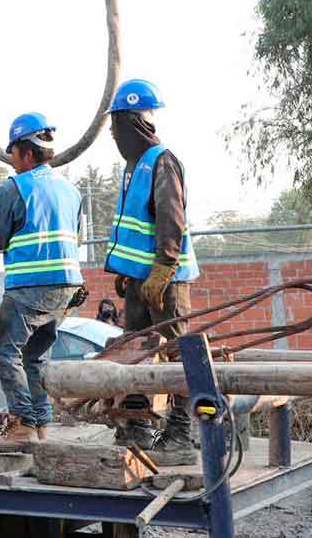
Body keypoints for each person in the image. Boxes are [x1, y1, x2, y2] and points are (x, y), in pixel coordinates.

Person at [0, 112, 84, 452]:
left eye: (13, 153)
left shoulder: (15, 187)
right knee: (33, 357)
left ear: (25, 151)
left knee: (3, 352)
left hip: (30, 287)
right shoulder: (70, 190)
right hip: (65, 288)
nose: (11, 160)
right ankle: (41, 424)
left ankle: (21, 425)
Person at [103, 79, 200, 465]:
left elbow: (170, 219)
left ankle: (181, 434)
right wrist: (128, 270)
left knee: (177, 354)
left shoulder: (162, 160)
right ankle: (138, 426)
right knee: (137, 353)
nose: (112, 134)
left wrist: (163, 267)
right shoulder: (133, 167)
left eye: (116, 126)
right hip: (142, 281)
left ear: (133, 122)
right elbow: (135, 225)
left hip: (167, 281)